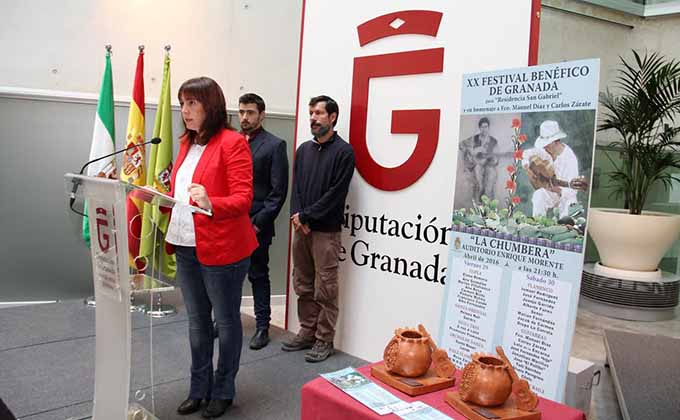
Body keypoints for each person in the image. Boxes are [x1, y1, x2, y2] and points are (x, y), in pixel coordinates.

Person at [166, 77, 258, 418]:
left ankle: (223, 391)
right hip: (186, 244)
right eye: (182, 104)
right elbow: (181, 193)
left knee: (227, 322)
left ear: (211, 105)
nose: (185, 111)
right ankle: (198, 389)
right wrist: (159, 198)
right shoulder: (186, 143)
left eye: (192, 103)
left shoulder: (232, 143)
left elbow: (243, 198)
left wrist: (211, 202)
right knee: (196, 324)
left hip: (223, 249)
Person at [281, 95, 355, 363]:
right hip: (302, 228)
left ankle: (324, 339)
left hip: (325, 231)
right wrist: (296, 215)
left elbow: (336, 195)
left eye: (318, 113)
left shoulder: (344, 153)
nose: (312, 118)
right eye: (311, 113)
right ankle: (307, 331)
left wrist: (308, 215)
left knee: (326, 286)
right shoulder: (304, 149)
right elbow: (297, 187)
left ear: (332, 117)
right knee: (302, 282)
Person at [238, 93, 289, 350]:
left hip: (257, 223)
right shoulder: (231, 141)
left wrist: (258, 223)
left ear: (262, 115)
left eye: (250, 112)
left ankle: (262, 327)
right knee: (228, 276)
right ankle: (225, 321)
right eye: (241, 112)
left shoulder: (274, 145)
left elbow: (278, 193)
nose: (245, 117)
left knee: (258, 274)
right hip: (230, 222)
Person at [523, 120, 579, 218]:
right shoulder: (545, 150)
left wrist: (559, 190)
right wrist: (527, 167)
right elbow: (526, 154)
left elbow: (573, 190)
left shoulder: (569, 158)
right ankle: (538, 225)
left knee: (565, 221)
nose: (544, 147)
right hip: (551, 191)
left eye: (547, 144)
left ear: (555, 141)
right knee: (538, 195)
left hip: (566, 196)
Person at [459, 117, 499, 203]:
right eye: (482, 127)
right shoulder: (474, 139)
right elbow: (461, 145)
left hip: (488, 166)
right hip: (476, 165)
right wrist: (472, 151)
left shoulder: (493, 141)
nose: (484, 129)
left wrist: (493, 159)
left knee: (490, 182)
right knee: (479, 184)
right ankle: (478, 203)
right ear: (480, 128)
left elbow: (496, 160)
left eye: (486, 127)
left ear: (489, 127)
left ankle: (487, 206)